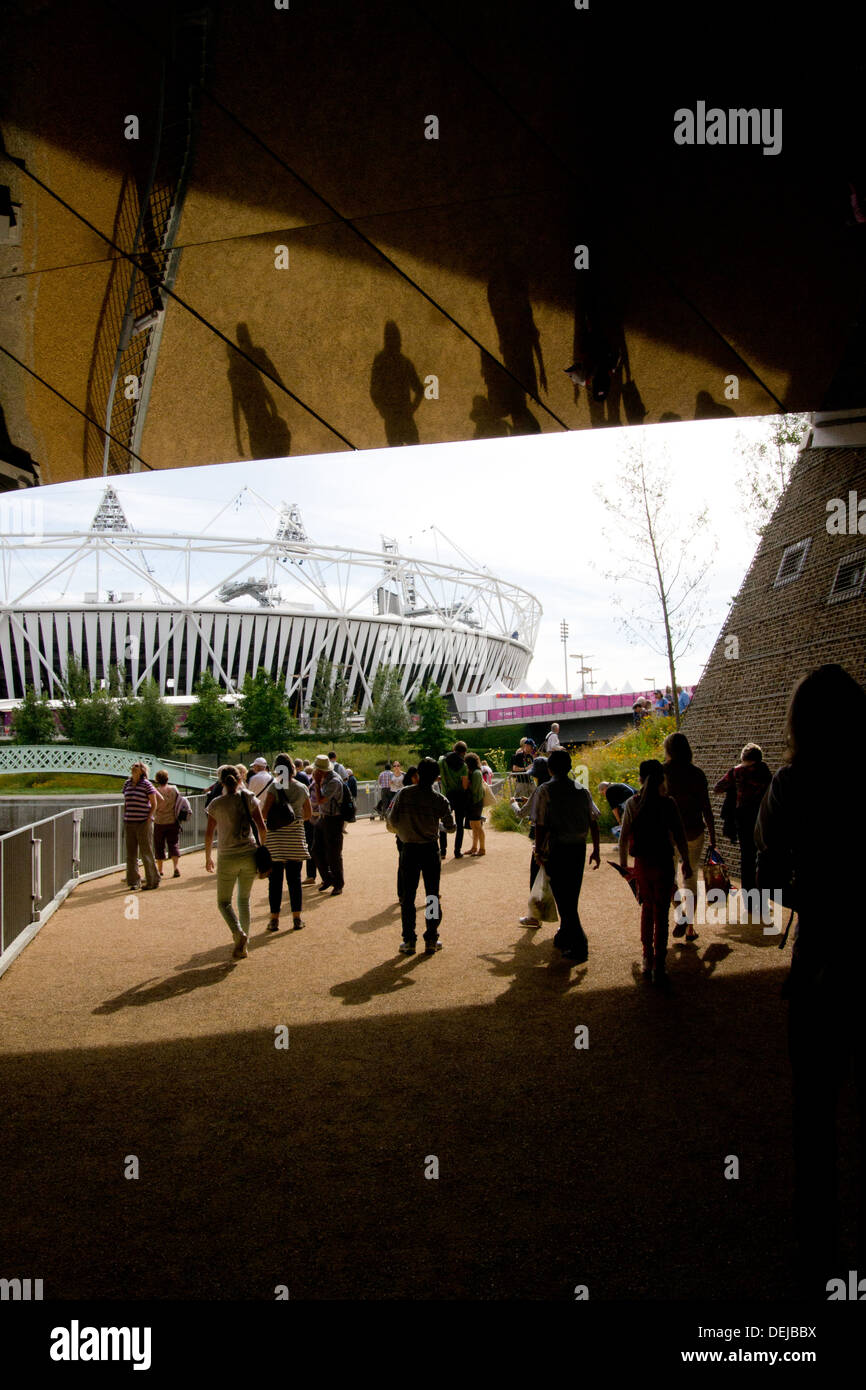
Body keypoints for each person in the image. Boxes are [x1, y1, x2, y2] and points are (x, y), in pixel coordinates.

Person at [755, 664, 866, 1296]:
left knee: (814, 1118)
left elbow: (768, 884)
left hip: (821, 967)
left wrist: (813, 892)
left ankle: (818, 1258)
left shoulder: (791, 785)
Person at [619, 759, 692, 985]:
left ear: (640, 779)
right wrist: (686, 861)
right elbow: (679, 835)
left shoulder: (633, 803)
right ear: (662, 778)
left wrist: (624, 866)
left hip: (642, 864)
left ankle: (646, 958)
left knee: (647, 910)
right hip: (663, 862)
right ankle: (660, 964)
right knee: (661, 914)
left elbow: (623, 838)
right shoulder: (668, 803)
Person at [533, 748, 600, 962]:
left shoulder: (545, 790)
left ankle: (580, 944)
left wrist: (538, 849)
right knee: (572, 894)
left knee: (564, 898)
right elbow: (593, 820)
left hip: (557, 848)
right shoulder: (582, 790)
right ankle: (565, 934)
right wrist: (596, 849)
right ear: (570, 767)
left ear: (550, 769)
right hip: (578, 848)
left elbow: (540, 824)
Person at [387, 757, 455, 955]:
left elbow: (392, 820)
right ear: (436, 778)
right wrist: (437, 825)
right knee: (432, 895)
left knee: (408, 897)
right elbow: (450, 828)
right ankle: (431, 937)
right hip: (430, 849)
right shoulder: (439, 799)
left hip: (409, 849)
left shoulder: (404, 794)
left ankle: (409, 940)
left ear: (417, 775)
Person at [204, 764, 268, 960]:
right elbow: (262, 828)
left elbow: (208, 834)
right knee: (244, 900)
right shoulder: (249, 798)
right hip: (248, 853)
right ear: (240, 779)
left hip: (227, 855)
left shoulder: (216, 803)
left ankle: (237, 933)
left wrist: (207, 857)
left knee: (223, 902)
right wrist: (262, 848)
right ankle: (244, 944)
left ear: (221, 782)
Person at [662, 731, 716, 940]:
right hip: (694, 831)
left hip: (669, 834)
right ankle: (691, 927)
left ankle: (680, 914)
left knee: (669, 878)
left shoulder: (663, 772)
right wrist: (713, 836)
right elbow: (706, 808)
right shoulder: (696, 773)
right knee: (691, 878)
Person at [714, 744, 772, 906]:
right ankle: (763, 900)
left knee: (746, 858)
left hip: (743, 819)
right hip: (761, 819)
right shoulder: (765, 772)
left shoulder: (736, 772)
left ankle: (749, 900)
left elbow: (717, 788)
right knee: (762, 858)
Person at [259, 753, 311, 932]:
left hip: (276, 839)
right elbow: (308, 814)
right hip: (295, 837)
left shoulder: (274, 787)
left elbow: (264, 813)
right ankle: (297, 918)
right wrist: (294, 820)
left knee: (275, 882)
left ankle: (274, 920)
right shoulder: (302, 787)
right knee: (294, 880)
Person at [517, 754, 551, 925]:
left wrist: (513, 804)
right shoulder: (557, 787)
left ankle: (534, 917)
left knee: (535, 876)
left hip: (542, 842)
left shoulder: (540, 790)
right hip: (561, 840)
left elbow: (522, 813)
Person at [310, 753, 346, 895]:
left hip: (334, 819)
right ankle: (328, 878)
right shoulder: (326, 778)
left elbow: (320, 800)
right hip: (324, 818)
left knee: (334, 854)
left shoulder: (334, 781)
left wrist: (317, 783)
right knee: (315, 850)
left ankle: (338, 883)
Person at [122, 761, 161, 891]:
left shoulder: (147, 784)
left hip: (143, 822)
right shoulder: (127, 783)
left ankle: (152, 880)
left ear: (142, 770)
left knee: (146, 851)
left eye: (137, 766)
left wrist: (149, 818)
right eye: (133, 765)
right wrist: (125, 816)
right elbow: (126, 802)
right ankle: (133, 881)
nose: (133, 767)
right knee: (131, 853)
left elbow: (154, 803)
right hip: (129, 821)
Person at [438, 741, 471, 858]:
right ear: (464, 752)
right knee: (460, 824)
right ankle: (457, 851)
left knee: (443, 822)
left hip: (445, 795)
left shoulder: (442, 761)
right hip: (459, 797)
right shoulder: (463, 766)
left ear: (453, 749)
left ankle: (442, 851)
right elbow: (464, 785)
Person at [393, 765, 420, 898]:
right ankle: (432, 896)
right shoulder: (424, 793)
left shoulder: (401, 793)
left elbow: (391, 817)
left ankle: (403, 895)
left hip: (404, 836)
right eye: (416, 775)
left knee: (405, 865)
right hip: (414, 837)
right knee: (423, 868)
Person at [153, 769, 182, 878]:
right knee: (173, 844)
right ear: (167, 778)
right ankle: (175, 868)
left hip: (159, 821)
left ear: (157, 779)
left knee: (159, 846)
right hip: (172, 820)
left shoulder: (155, 791)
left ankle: (160, 870)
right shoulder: (174, 789)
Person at [293, 759, 317, 882]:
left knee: (304, 845)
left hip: (299, 818)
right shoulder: (306, 780)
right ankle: (311, 874)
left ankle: (309, 875)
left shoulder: (296, 779)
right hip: (305, 817)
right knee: (310, 844)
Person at [464, 751, 486, 856]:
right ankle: (474, 847)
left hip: (476, 802)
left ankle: (482, 849)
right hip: (474, 802)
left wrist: (467, 784)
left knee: (477, 825)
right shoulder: (474, 772)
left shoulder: (477, 773)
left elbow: (474, 789)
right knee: (474, 825)